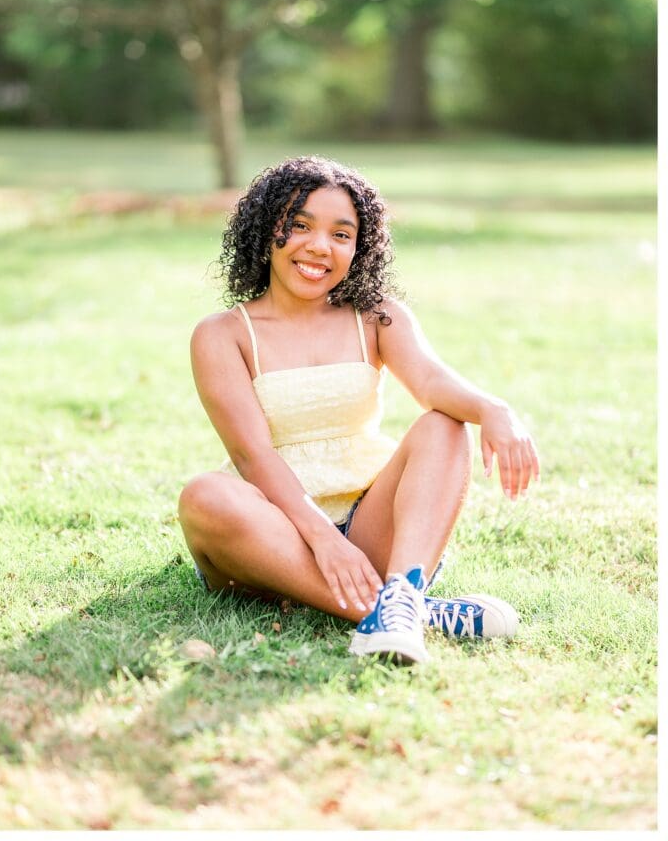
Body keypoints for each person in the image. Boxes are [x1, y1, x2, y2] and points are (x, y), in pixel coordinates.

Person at [179, 156, 539, 664]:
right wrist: (324, 539)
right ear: (266, 230)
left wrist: (494, 407)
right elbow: (253, 456)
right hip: (268, 535)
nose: (319, 247)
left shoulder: (377, 316)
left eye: (341, 234)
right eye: (299, 225)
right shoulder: (223, 334)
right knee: (204, 496)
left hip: (372, 531)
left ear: (359, 247)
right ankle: (413, 612)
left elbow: (432, 382)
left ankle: (402, 595)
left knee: (444, 426)